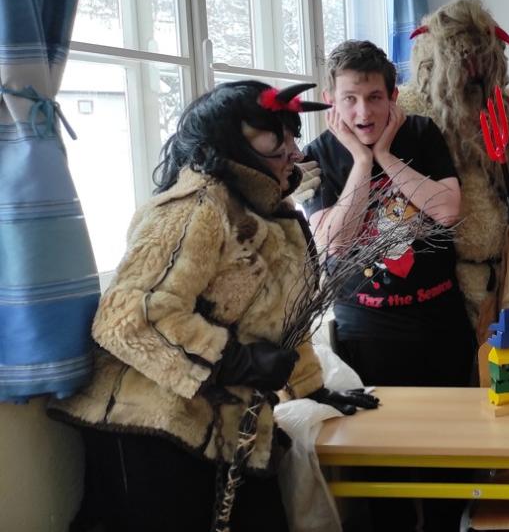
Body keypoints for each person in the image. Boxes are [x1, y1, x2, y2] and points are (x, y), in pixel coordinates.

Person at [49, 81, 377, 531]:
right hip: (151, 423)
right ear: (230, 141)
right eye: (276, 138)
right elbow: (126, 317)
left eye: (291, 135)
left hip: (223, 426)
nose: (293, 151)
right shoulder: (195, 208)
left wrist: (312, 388)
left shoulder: (273, 215)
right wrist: (235, 360)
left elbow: (283, 322)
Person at [302, 40, 471, 532]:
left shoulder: (421, 133)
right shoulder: (317, 156)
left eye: (375, 97)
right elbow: (335, 242)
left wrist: (385, 156)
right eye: (350, 99)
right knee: (382, 468)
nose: (363, 111)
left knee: (449, 459)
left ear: (392, 96)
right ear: (331, 100)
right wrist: (360, 162)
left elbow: (446, 211)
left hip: (440, 322)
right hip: (368, 330)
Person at [398, 0, 509, 338]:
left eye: (482, 57)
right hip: (440, 281)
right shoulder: (410, 110)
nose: (474, 69)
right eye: (463, 58)